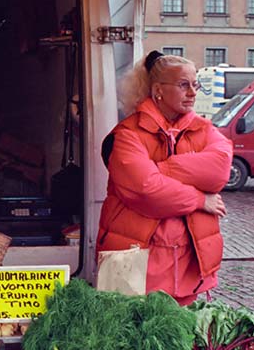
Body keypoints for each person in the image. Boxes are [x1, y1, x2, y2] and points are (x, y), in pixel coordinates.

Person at [98, 51, 233, 305]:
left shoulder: (204, 129)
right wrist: (199, 198)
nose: (193, 92)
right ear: (158, 90)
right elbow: (146, 191)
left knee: (180, 338)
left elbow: (219, 171)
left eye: (195, 84)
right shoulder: (127, 134)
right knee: (130, 336)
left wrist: (159, 170)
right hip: (133, 262)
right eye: (184, 85)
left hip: (188, 265)